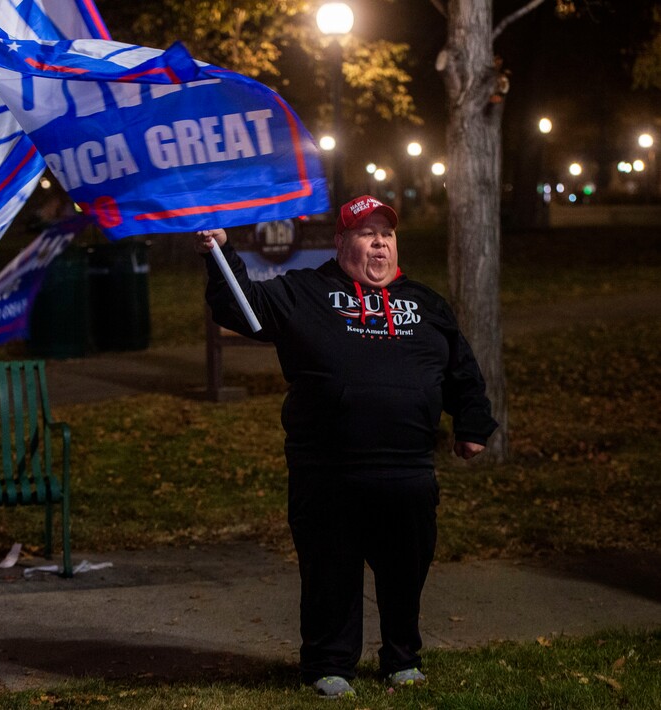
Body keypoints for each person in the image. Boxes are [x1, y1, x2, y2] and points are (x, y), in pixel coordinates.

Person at [194, 195, 497, 698]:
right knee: (330, 572)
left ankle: (403, 658)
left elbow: (461, 369)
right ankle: (328, 665)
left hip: (408, 470)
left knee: (406, 572)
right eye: (366, 233)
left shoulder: (425, 303)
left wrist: (472, 423)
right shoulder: (305, 292)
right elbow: (240, 307)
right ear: (340, 243)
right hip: (327, 471)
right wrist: (219, 254)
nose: (379, 242)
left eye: (387, 234)